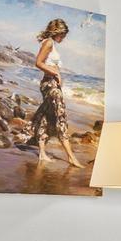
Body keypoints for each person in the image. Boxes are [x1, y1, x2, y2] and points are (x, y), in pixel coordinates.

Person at [25, 18, 83, 167]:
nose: (63, 38)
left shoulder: (50, 43)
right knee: (60, 117)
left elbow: (45, 63)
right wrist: (56, 74)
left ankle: (42, 154)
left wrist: (57, 75)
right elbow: (38, 62)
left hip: (50, 84)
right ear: (57, 32)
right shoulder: (49, 43)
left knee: (47, 117)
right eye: (62, 35)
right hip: (50, 84)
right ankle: (70, 157)